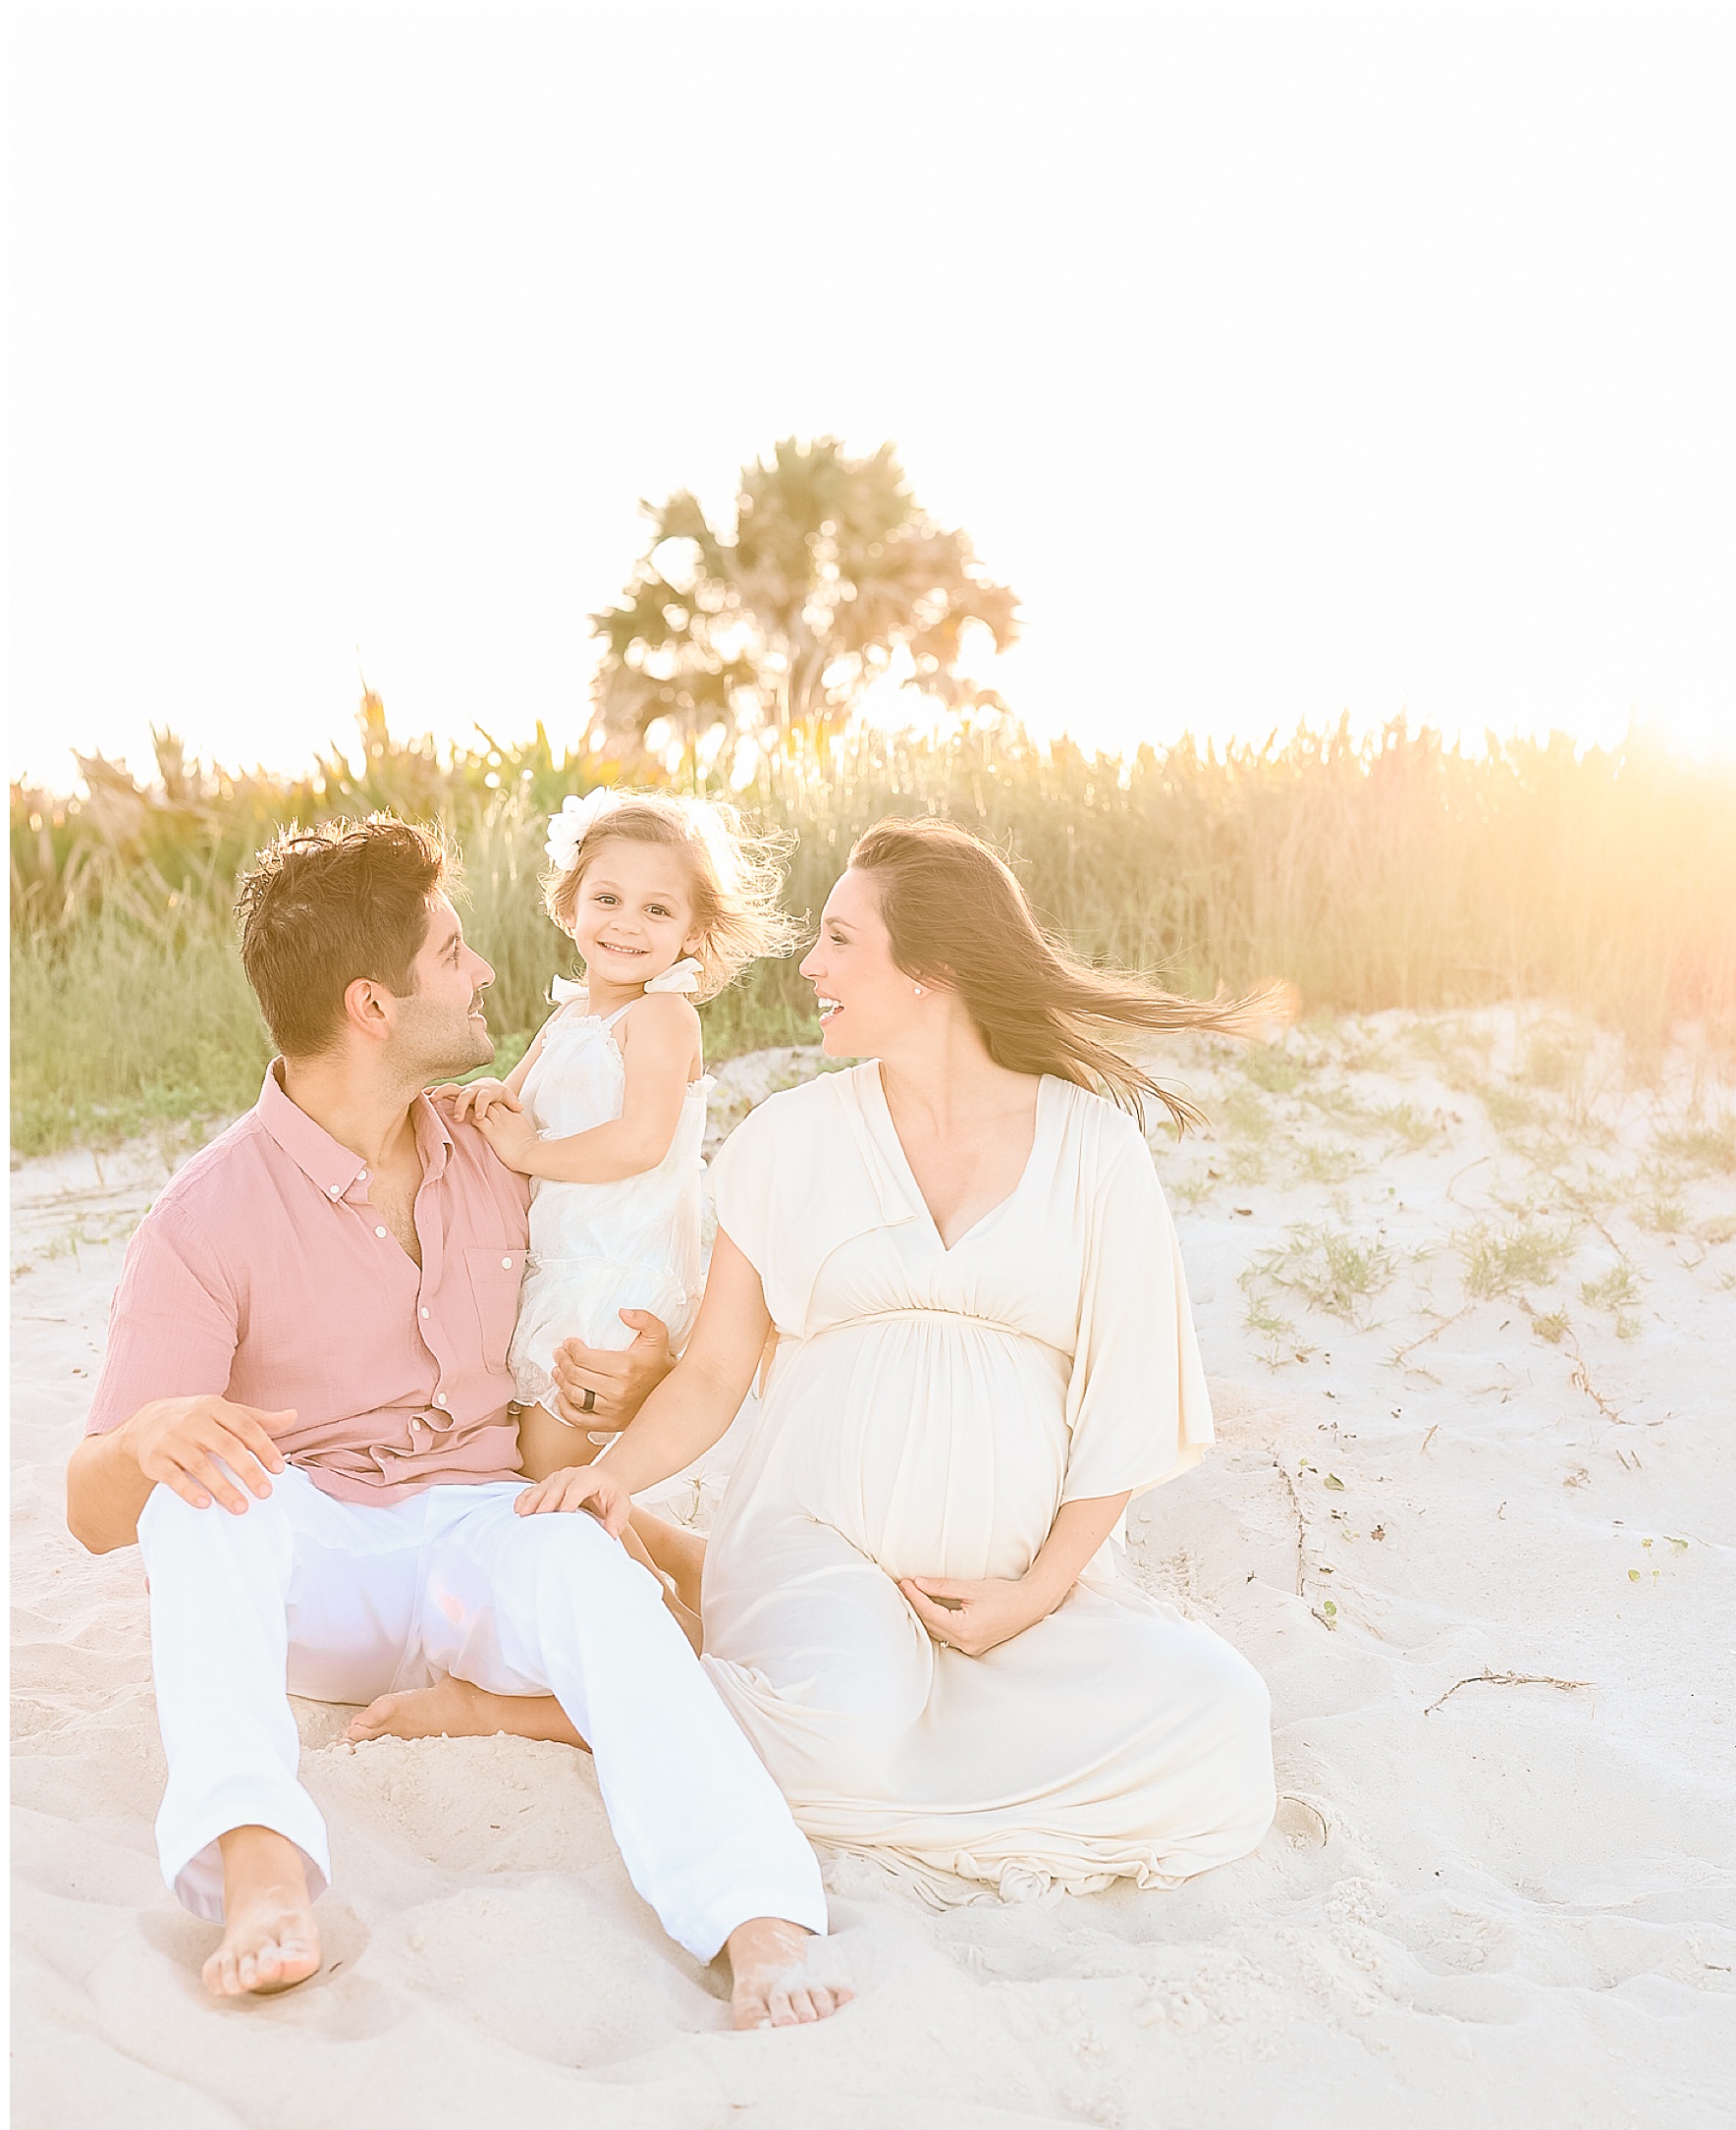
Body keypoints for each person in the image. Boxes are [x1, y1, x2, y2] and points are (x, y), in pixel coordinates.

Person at [357, 817, 1282, 1905]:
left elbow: (1127, 1401)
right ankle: (574, 1681)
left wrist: (1034, 1594)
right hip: (818, 1547)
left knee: (1217, 1715)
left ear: (931, 967)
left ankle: (709, 1629)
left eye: (841, 939)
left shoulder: (1093, 1149)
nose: (811, 964)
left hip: (1016, 1581)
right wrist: (610, 1478)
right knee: (837, 1733)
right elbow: (709, 1375)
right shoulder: (790, 1140)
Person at [65, 814, 846, 2028]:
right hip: (313, 1558)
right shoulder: (206, 1215)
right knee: (201, 1507)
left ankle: (755, 1913)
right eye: (453, 950)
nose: (486, 970)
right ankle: (262, 1872)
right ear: (373, 1005)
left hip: (483, 1535)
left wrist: (627, 1378)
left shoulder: (500, 1151)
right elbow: (92, 1511)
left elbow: (598, 1286)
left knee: (587, 1564)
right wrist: (143, 1444)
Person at [440, 795, 794, 1590]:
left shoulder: (662, 1018)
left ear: (691, 932)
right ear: (570, 905)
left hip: (615, 1274)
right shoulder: (567, 1021)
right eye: (607, 899)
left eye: (656, 908)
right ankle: (695, 1585)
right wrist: (495, 1094)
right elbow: (523, 1101)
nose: (626, 924)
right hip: (559, 1267)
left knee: (548, 1486)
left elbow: (640, 1140)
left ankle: (663, 1617)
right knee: (541, 1481)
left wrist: (528, 1147)